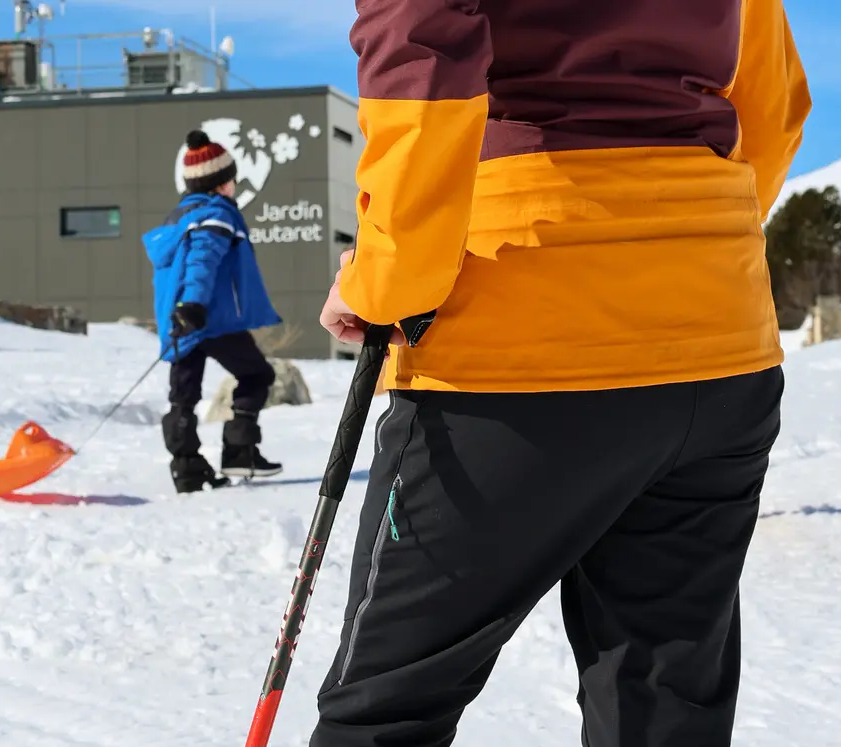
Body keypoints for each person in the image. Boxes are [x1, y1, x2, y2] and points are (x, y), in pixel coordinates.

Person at [314, 0, 810, 745]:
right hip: (714, 333)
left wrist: (382, 280)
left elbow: (424, 73)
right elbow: (771, 102)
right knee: (665, 700)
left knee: (388, 707)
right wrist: (688, 244)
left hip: (516, 355)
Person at [142, 129, 285, 493]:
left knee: (183, 396)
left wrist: (185, 310)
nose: (234, 185)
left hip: (182, 322)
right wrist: (194, 304)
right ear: (221, 182)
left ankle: (187, 468)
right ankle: (240, 452)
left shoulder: (179, 217)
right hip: (210, 319)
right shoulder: (216, 215)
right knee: (257, 376)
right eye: (231, 177)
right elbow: (202, 261)